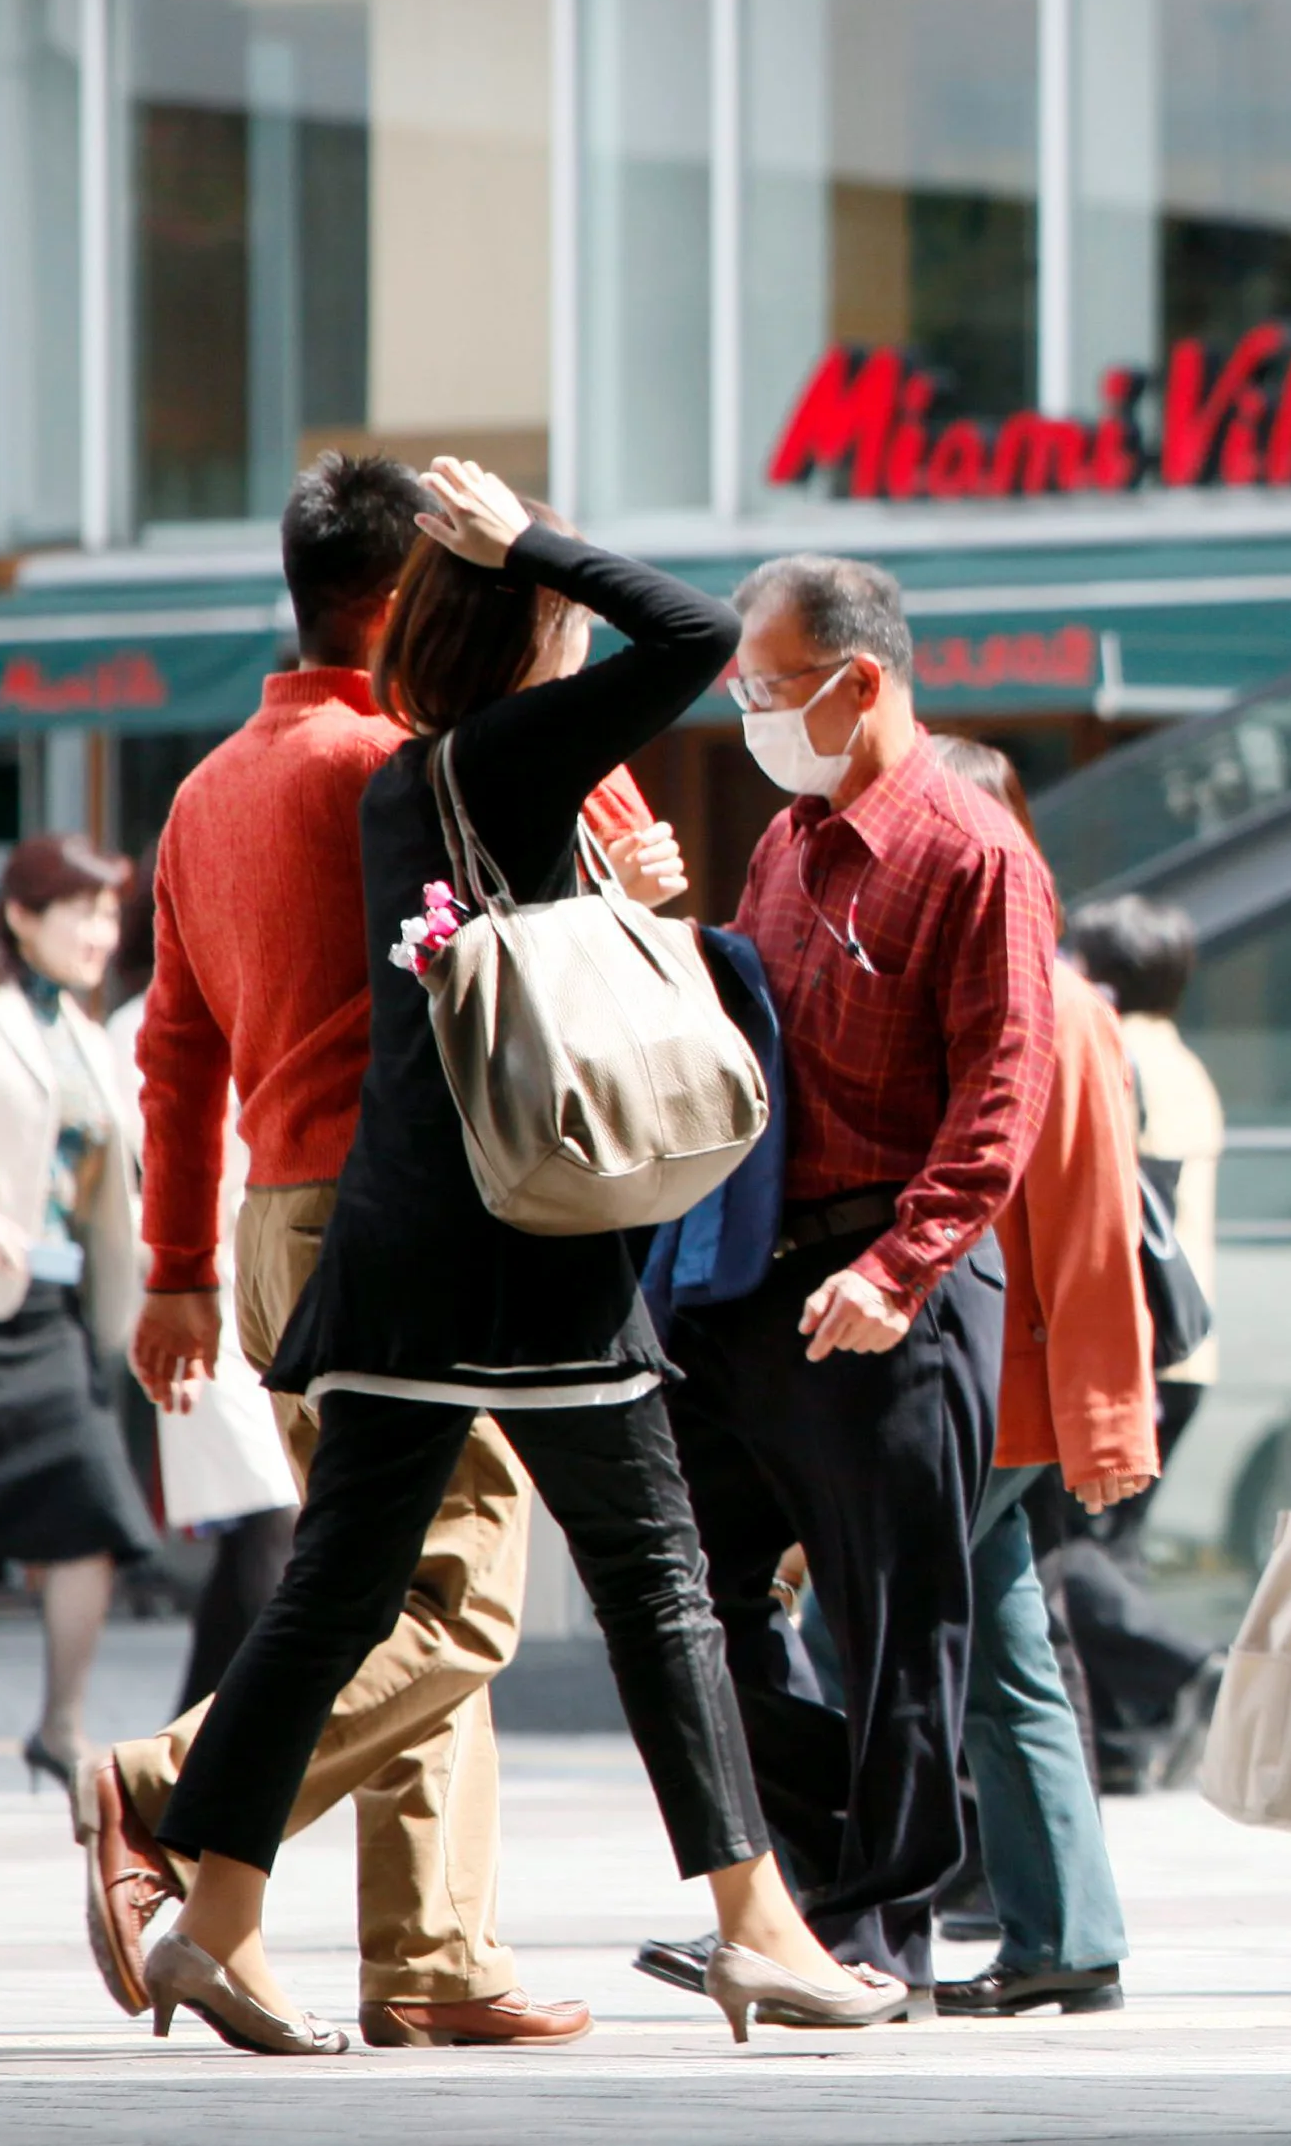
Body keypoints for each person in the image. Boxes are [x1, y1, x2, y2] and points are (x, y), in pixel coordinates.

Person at [144, 458, 895, 2055]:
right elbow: (690, 634)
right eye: (555, 617)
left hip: (398, 1254)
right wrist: (536, 543)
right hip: (526, 1264)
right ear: (529, 632)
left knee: (339, 1591)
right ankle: (761, 1928)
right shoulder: (507, 754)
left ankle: (208, 1913)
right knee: (657, 1583)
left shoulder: (409, 778)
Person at [83, 453, 685, 2049]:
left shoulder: (210, 785)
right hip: (416, 1215)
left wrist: (176, 1269)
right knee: (459, 1608)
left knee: (390, 1576)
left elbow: (175, 1044)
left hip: (276, 1220)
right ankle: (165, 1789)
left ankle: (429, 1956)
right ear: (421, 595)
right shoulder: (419, 758)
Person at [655, 552, 1060, 1994]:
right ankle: (832, 1866)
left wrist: (901, 1266)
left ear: (861, 681)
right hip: (751, 1280)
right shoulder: (784, 839)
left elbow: (1004, 1096)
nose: (750, 712)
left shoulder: (975, 853)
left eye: (766, 687)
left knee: (901, 1626)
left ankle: (876, 1929)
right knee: (678, 1586)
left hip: (899, 1285)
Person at [918, 736, 1151, 2017]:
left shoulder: (1055, 1007)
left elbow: (1091, 1222)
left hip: (989, 1389)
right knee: (1003, 1660)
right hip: (969, 1381)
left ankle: (838, 1924)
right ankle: (1065, 1931)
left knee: (870, 1636)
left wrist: (1106, 1416)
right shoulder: (972, 986)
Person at [0, 834, 150, 1803]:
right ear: (22, 916)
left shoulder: (89, 1034)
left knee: (91, 1507)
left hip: (53, 1310)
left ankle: (60, 1726)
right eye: (79, 910)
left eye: (111, 912)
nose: (99, 931)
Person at [1046, 892, 1225, 1793]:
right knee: (1111, 1551)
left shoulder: (1118, 1055)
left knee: (1068, 1554)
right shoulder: (1183, 1062)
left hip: (1137, 1348)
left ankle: (1191, 1668)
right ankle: (1121, 1746)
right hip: (1187, 1351)